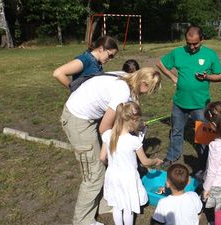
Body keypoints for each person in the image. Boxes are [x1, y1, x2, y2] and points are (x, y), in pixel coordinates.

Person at [60, 67, 161, 225]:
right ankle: (82, 221)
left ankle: (104, 203)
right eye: (149, 89)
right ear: (142, 82)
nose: (148, 94)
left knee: (102, 165)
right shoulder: (122, 92)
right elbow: (104, 128)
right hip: (78, 119)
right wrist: (123, 137)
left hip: (88, 115)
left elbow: (130, 106)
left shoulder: (127, 78)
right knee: (94, 174)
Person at [156, 25, 221, 168]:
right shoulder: (178, 52)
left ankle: (205, 160)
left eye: (195, 44)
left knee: (203, 134)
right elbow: (160, 63)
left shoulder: (210, 54)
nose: (192, 47)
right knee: (176, 131)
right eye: (189, 43)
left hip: (200, 103)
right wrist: (173, 77)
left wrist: (207, 76)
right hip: (179, 103)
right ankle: (172, 156)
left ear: (202, 40)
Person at [99, 102, 163, 225]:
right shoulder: (134, 141)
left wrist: (111, 165)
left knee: (117, 205)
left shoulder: (108, 135)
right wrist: (155, 160)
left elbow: (102, 157)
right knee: (128, 207)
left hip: (112, 175)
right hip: (128, 178)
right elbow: (145, 161)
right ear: (133, 121)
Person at [53, 36, 119, 89]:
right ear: (101, 48)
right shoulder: (85, 59)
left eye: (112, 57)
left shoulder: (97, 62)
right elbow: (58, 73)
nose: (110, 59)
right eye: (110, 55)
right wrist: (76, 90)